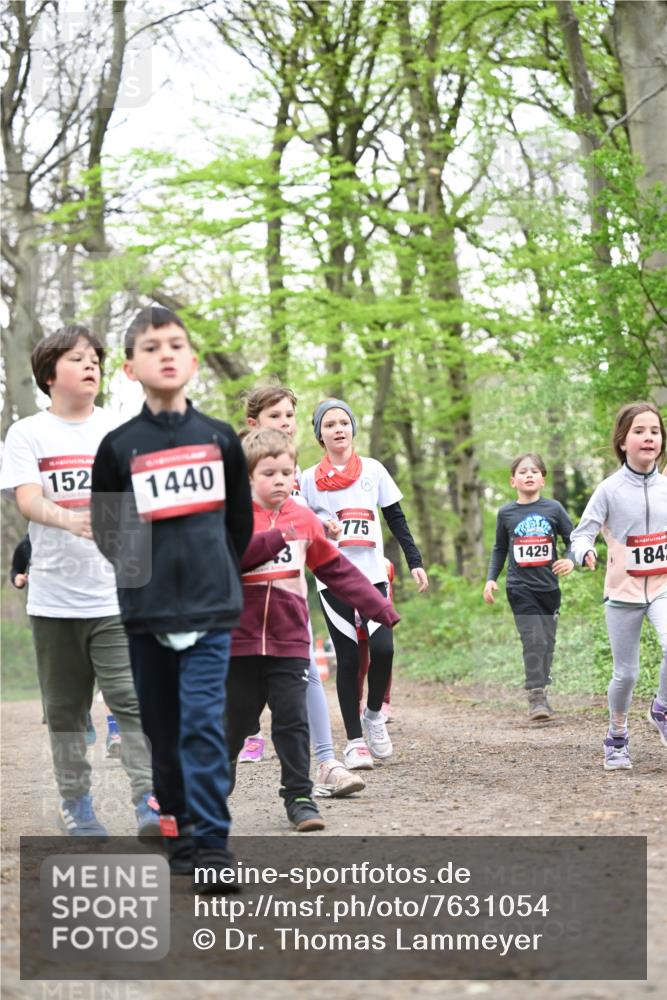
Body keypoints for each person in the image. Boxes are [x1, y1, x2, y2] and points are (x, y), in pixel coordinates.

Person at [91, 306, 253, 885]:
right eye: (151, 346)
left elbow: (238, 525)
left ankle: (212, 848)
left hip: (211, 611)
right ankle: (179, 832)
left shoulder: (220, 437)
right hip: (147, 614)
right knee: (162, 732)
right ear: (130, 367)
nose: (165, 354)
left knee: (203, 727)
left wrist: (212, 573)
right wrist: (151, 583)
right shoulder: (118, 447)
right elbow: (111, 533)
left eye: (176, 345)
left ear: (193, 361)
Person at [0, 326, 159, 838]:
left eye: (95, 358)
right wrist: (70, 520)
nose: (91, 364)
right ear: (49, 373)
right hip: (53, 600)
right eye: (77, 358)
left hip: (114, 598)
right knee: (66, 713)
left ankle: (149, 802)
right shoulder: (27, 433)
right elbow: (27, 500)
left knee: (131, 699)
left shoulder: (121, 429)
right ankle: (76, 804)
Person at [226, 429, 399, 831]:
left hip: (289, 643)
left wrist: (378, 606)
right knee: (232, 726)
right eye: (269, 473)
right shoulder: (233, 518)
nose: (280, 481)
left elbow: (335, 569)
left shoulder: (303, 517)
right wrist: (280, 536)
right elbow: (234, 557)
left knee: (292, 722)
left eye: (287, 473)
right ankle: (214, 789)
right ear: (248, 476)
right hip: (240, 645)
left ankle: (299, 797)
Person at [236, 384, 365, 798]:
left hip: (290, 598)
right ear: (253, 423)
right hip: (243, 608)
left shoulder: (294, 470)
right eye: (275, 416)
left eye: (290, 416)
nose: (286, 423)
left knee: (306, 669)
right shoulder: (241, 468)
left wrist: (320, 523)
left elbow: (300, 510)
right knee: (236, 702)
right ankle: (209, 774)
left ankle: (325, 764)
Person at [300, 399, 428, 770]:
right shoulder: (307, 479)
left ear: (353, 428)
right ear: (320, 435)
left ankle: (373, 715)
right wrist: (320, 525)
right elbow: (297, 521)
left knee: (383, 649)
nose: (338, 429)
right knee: (348, 658)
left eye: (343, 422)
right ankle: (355, 742)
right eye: (329, 425)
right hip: (333, 578)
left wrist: (415, 561)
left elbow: (396, 518)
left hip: (372, 575)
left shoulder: (373, 469)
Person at [571, 402, 667, 768]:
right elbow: (582, 533)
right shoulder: (609, 489)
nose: (648, 437)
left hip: (662, 587)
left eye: (655, 431)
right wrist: (584, 552)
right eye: (639, 431)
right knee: (626, 674)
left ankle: (662, 708)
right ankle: (617, 736)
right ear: (623, 441)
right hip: (623, 592)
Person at [483, 453, 574, 721]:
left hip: (549, 588)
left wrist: (570, 559)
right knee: (533, 638)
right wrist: (491, 578)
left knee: (547, 642)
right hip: (519, 586)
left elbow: (573, 539)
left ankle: (542, 688)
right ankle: (536, 696)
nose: (529, 475)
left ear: (543, 480)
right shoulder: (506, 513)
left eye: (534, 471)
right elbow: (500, 548)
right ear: (513, 481)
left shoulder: (554, 509)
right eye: (523, 472)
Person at [10, 533, 121, 752]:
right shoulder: (34, 539)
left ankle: (115, 733)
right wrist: (19, 579)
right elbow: (16, 568)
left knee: (113, 682)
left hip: (102, 613)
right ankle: (83, 721)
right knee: (72, 678)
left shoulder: (99, 534)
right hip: (56, 618)